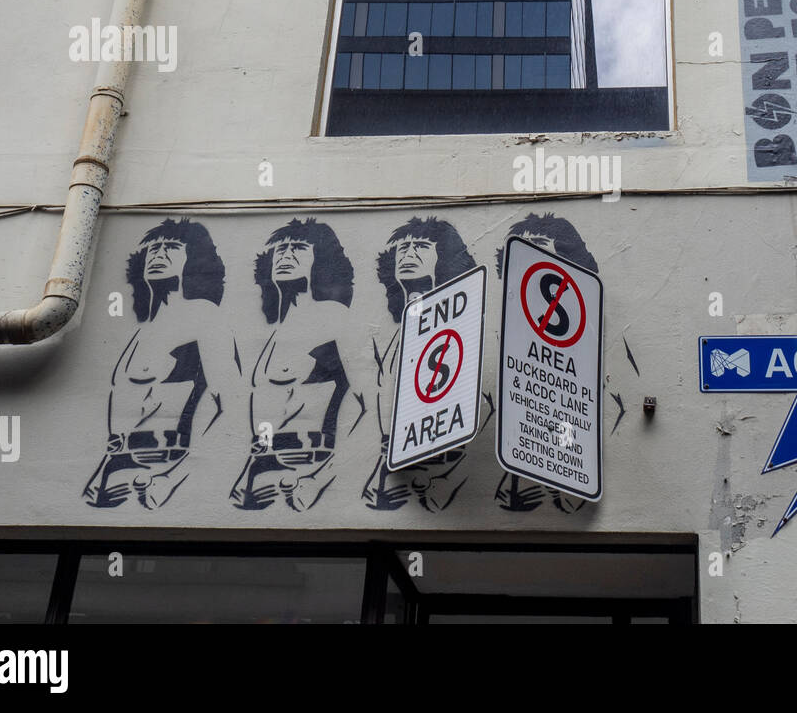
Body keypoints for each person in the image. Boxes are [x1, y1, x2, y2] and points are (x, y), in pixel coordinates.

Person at [83, 219, 235, 510]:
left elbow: (229, 403)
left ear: (193, 259)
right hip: (117, 469)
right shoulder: (142, 331)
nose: (159, 254)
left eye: (172, 247)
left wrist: (175, 475)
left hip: (166, 465)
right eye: (153, 248)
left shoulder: (203, 316)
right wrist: (101, 474)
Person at [231, 218, 364, 511]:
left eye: (299, 248)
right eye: (281, 250)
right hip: (262, 471)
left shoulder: (335, 318)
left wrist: (322, 478)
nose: (286, 255)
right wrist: (246, 477)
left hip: (312, 464)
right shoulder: (270, 333)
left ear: (321, 261)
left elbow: (365, 405)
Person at [362, 216, 485, 512]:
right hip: (392, 476)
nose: (409, 254)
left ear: (443, 256)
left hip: (441, 469)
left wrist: (451, 479)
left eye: (421, 246)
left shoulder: (460, 322)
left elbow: (488, 407)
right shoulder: (399, 332)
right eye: (402, 248)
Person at [494, 213, 598, 515]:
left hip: (569, 469)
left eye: (539, 243)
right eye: (523, 245)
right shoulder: (503, 327)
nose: (529, 250)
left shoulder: (586, 331)